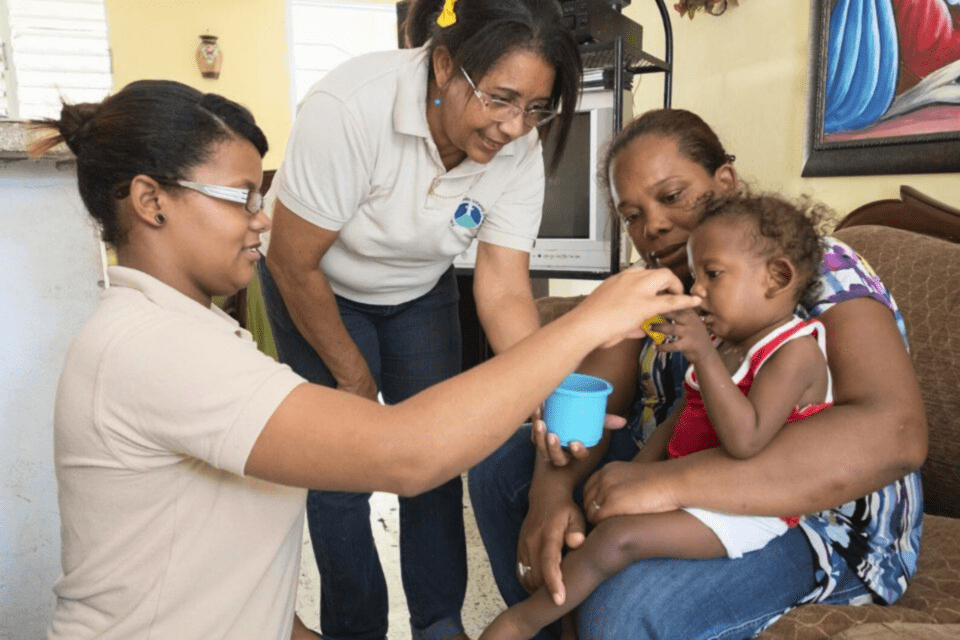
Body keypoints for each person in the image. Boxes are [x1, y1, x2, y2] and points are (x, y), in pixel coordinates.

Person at [34, 81, 699, 640]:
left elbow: (228, 581)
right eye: (242, 198)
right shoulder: (155, 348)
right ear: (152, 201)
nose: (261, 221)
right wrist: (588, 321)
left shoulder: (196, 334)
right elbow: (406, 454)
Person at [468, 108, 927, 640]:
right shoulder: (649, 288)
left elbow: (895, 433)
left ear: (723, 182)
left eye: (671, 196)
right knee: (503, 467)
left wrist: (660, 484)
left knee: (622, 607)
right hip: (683, 478)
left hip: (821, 522)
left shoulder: (814, 271)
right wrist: (549, 498)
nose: (653, 226)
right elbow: (587, 399)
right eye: (631, 214)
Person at [257, 0, 582, 638]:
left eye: (535, 108)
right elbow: (294, 263)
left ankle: (439, 624)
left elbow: (504, 287)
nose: (515, 127)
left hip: (417, 291)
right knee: (342, 473)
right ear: (443, 65)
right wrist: (354, 383)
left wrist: (543, 391)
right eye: (500, 99)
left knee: (435, 460)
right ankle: (356, 628)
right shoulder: (352, 108)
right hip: (316, 284)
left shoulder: (518, 147)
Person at [478, 191, 834, 640]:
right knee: (592, 527)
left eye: (713, 274)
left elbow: (747, 440)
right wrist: (633, 473)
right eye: (696, 273)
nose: (698, 289)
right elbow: (682, 418)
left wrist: (702, 355)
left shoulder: (794, 353)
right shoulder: (730, 343)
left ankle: (521, 622)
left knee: (616, 542)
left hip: (750, 512)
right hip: (696, 489)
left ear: (777, 277)